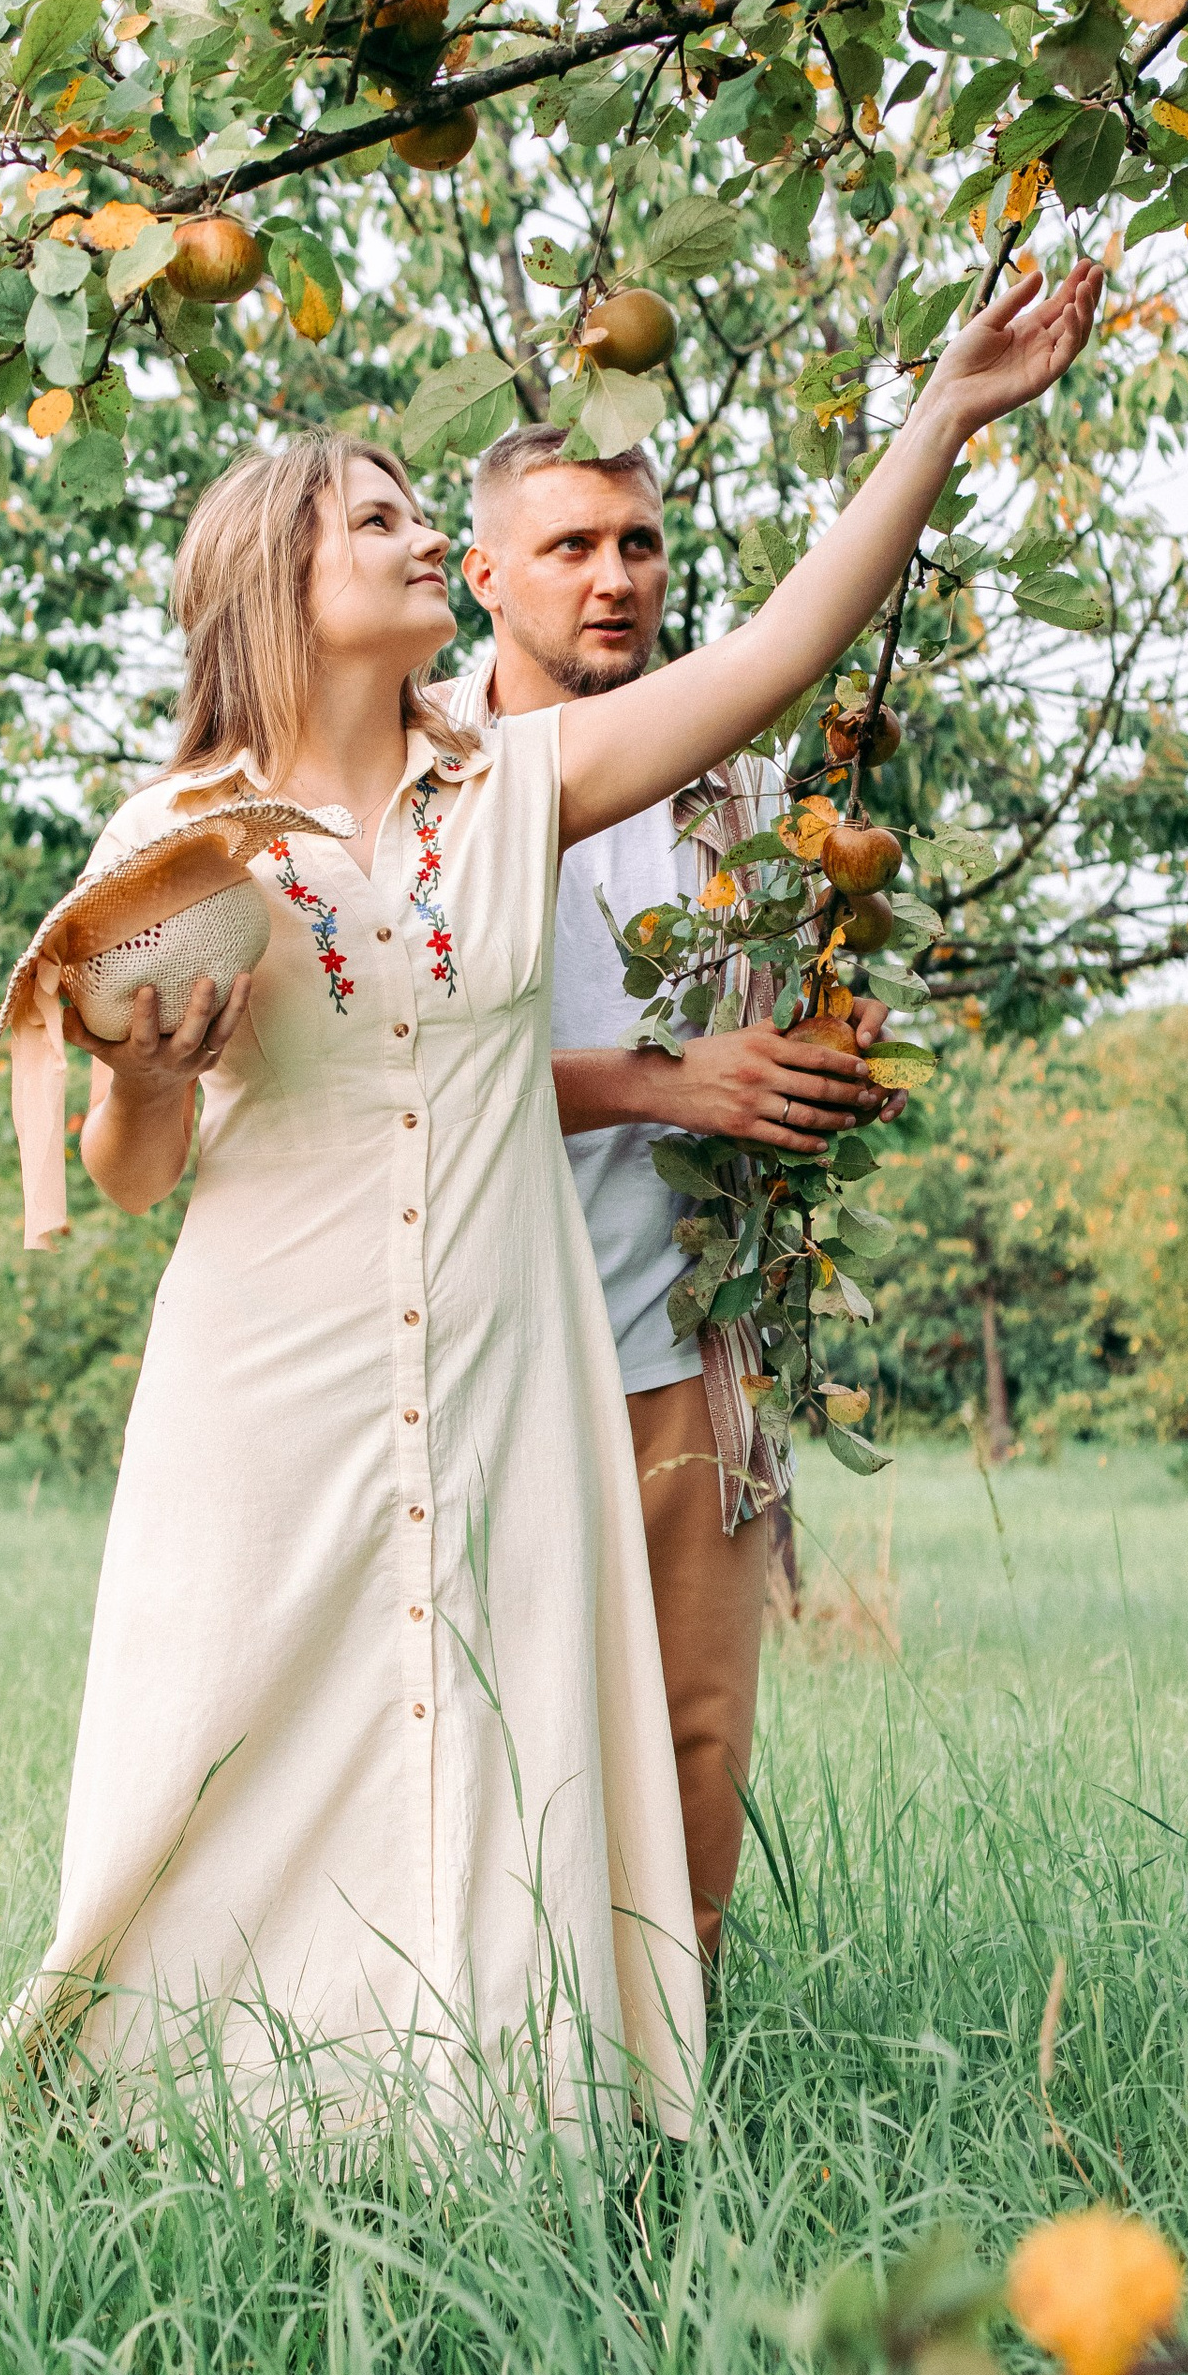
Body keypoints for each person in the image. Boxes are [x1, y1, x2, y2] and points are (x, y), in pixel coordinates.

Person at [4, 263, 1100, 2138]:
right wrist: (142, 1076)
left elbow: (774, 655)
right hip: (270, 1368)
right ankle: (200, 2112)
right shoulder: (172, 835)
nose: (424, 535)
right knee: (236, 1737)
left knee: (505, 1754)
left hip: (509, 1361)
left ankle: (504, 2122)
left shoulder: (511, 787)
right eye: (379, 520)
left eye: (423, 518)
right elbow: (125, 1179)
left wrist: (941, 417)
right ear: (281, 578)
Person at [454, 421, 905, 1963]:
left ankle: (672, 2140)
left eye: (638, 543)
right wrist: (660, 1080)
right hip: (486, 1350)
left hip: (683, 1352)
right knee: (496, 1765)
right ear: (483, 572)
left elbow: (762, 1026)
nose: (614, 576)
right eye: (572, 545)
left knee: (696, 1761)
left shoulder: (734, 786)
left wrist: (824, 1049)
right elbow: (402, 1071)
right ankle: (491, 2107)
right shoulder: (420, 772)